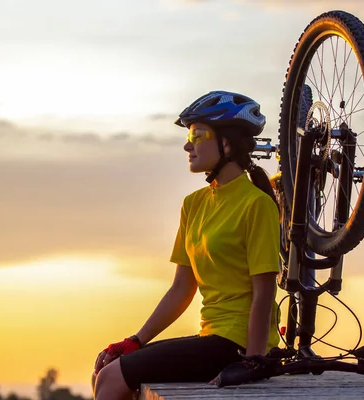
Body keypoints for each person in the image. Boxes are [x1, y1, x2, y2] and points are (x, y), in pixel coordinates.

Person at [92, 90, 282, 400]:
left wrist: (255, 361)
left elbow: (264, 291)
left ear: (227, 143)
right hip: (211, 338)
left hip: (236, 344)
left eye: (197, 133)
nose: (187, 144)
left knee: (111, 378)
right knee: (106, 369)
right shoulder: (193, 205)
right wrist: (136, 340)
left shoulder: (256, 205)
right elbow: (182, 288)